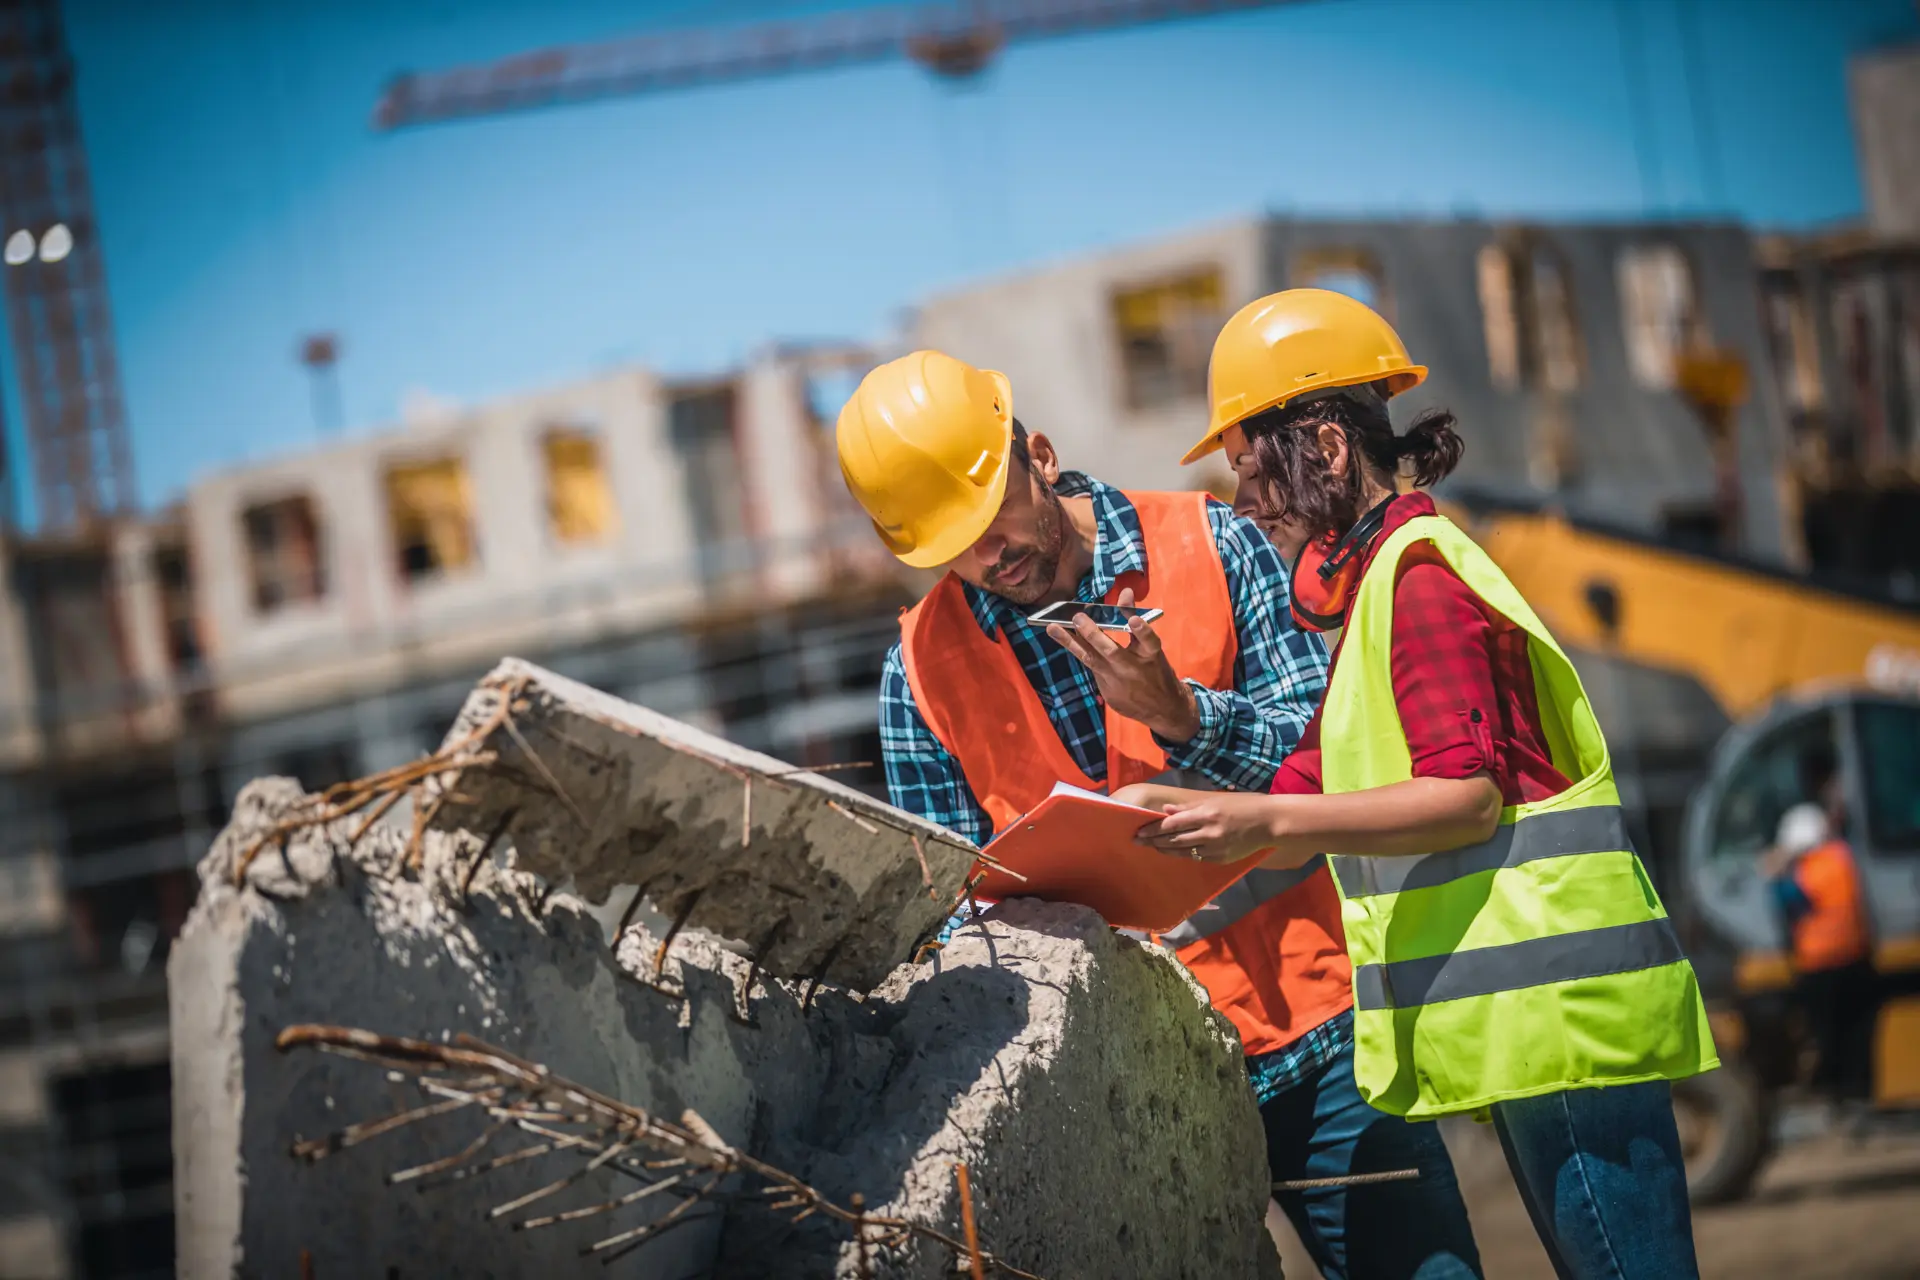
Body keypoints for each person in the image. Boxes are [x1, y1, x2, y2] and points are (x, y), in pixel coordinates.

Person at [837, 349, 1483, 1280]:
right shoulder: (921, 673)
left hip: (1320, 1038)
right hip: (1125, 1092)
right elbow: (949, 920)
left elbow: (1337, 756)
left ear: (1042, 457)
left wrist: (1182, 718)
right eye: (951, 543)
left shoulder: (1214, 541)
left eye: (990, 516)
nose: (988, 554)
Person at [1118, 289, 1720, 1280]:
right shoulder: (1377, 594)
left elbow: (1465, 797)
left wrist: (1261, 812)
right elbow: (1308, 790)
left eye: (1250, 465)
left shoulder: (1421, 579)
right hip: (1540, 1033)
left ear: (1320, 446)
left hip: (1568, 1024)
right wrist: (1153, 811)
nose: (1246, 498)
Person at [1763, 798, 1878, 1112]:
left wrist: (1774, 874)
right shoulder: (1842, 857)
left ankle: (1839, 1099)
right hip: (1856, 958)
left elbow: (1793, 901)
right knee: (1857, 1036)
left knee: (1829, 1037)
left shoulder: (1809, 869)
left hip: (1820, 967)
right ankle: (1859, 1097)